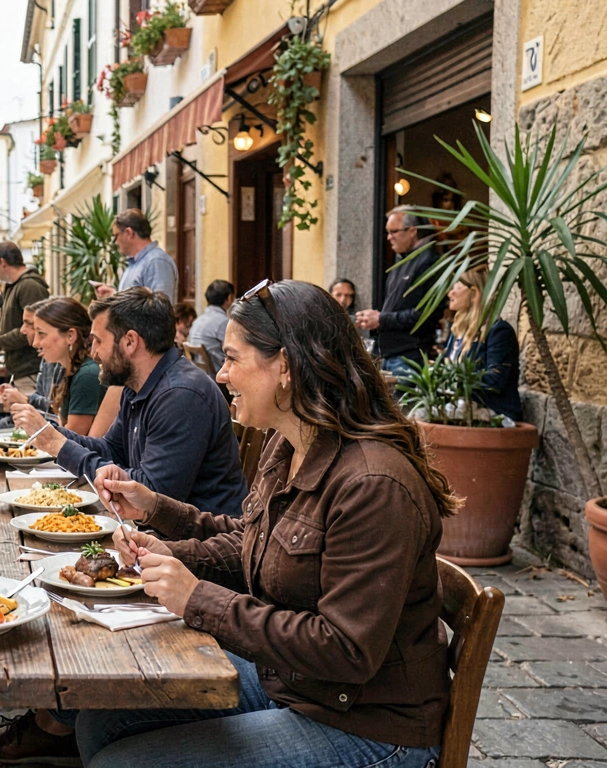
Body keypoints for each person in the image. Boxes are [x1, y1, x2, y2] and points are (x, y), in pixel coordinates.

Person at [77, 279, 452, 767]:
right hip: (296, 682)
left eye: (232, 359)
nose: (221, 374)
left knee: (121, 763)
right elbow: (250, 541)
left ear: (286, 367)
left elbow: (346, 650)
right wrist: (164, 533)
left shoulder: (373, 484)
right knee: (100, 719)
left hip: (367, 724)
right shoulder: (291, 444)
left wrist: (197, 599)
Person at [8, 288, 245, 517]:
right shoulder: (137, 385)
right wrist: (49, 433)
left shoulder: (181, 395)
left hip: (199, 539)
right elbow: (112, 450)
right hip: (158, 532)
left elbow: (153, 496)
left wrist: (58, 445)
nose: (94, 353)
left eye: (98, 341)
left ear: (130, 341)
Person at [355, 207, 442, 377]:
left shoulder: (429, 262)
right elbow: (396, 306)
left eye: (394, 232)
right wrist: (376, 318)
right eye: (387, 232)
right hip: (390, 353)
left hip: (410, 355)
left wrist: (380, 319)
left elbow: (425, 315)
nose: (389, 237)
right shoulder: (402, 259)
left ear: (412, 231)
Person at [0, 241, 51, 394]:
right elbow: (10, 318)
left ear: (3, 262)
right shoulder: (14, 285)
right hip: (20, 369)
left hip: (30, 370)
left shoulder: (29, 286)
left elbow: (32, 330)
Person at [18, 297, 109, 435]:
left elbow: (71, 440)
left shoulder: (87, 375)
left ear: (70, 336)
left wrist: (35, 421)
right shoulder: (68, 370)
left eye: (41, 334)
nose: (36, 343)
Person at [442, 267, 523, 422]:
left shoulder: (499, 331)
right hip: (462, 409)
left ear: (474, 293)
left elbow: (494, 381)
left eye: (456, 287)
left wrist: (453, 384)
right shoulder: (458, 330)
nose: (450, 293)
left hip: (496, 415)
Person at [93, 209, 177, 299]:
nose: (115, 242)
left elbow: (162, 305)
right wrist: (113, 295)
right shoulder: (135, 263)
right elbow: (135, 301)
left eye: (116, 236)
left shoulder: (156, 262)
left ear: (129, 232)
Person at [186, 280, 235, 372]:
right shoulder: (223, 322)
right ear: (229, 297)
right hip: (218, 376)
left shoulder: (197, 321)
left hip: (200, 374)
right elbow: (235, 350)